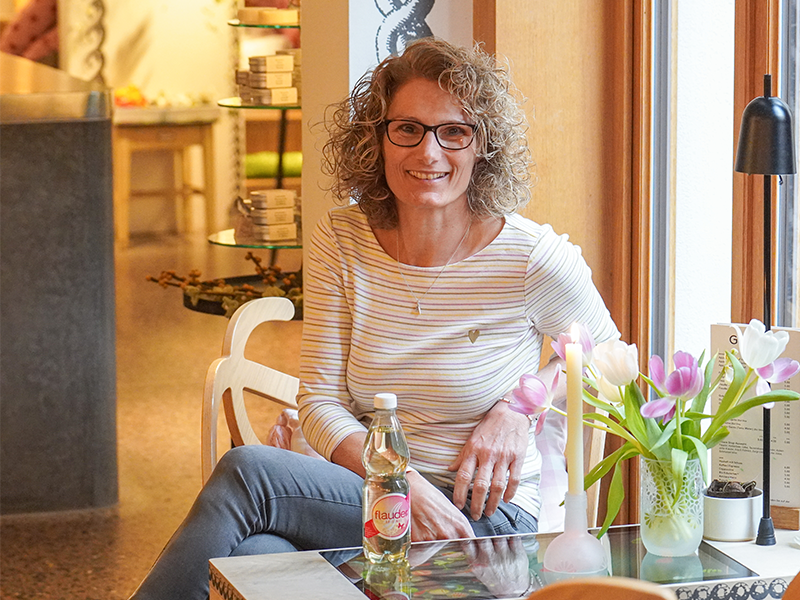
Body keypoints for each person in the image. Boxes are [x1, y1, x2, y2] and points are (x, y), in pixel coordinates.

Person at [128, 37, 618, 600]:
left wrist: (519, 408)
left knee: (248, 473)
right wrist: (400, 482)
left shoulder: (531, 257)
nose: (428, 152)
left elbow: (607, 358)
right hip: (374, 499)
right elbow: (320, 401)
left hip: (480, 525)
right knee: (259, 555)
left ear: (483, 145)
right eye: (407, 128)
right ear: (376, 139)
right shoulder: (342, 238)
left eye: (453, 132)